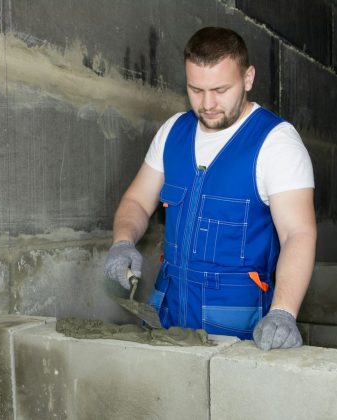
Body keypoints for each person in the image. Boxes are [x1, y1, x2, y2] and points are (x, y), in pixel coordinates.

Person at [105, 27, 316, 350]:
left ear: (248, 78)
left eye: (220, 89)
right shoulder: (173, 132)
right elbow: (137, 200)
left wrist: (284, 312)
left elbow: (298, 233)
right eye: (196, 89)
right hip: (168, 316)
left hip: (235, 326)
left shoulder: (276, 142)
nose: (207, 104)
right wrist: (122, 242)